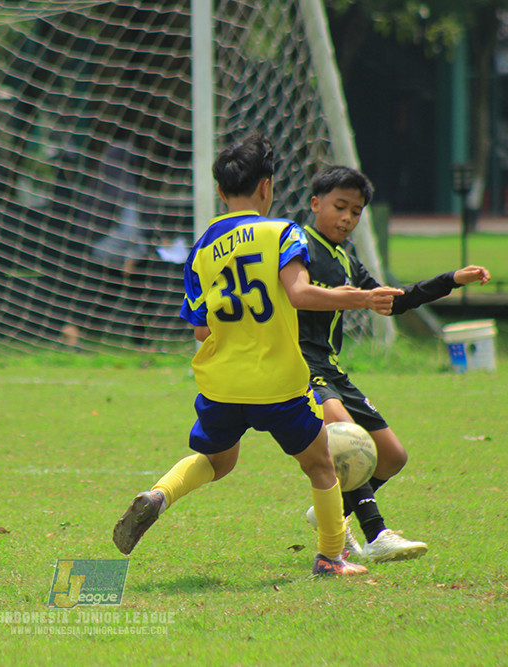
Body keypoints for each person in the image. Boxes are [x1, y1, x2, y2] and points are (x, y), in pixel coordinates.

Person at [111, 133, 404, 576]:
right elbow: (300, 293)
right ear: (266, 187)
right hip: (277, 380)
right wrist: (361, 298)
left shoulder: (201, 247)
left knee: (217, 460)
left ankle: (159, 495)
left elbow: (199, 328)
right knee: (322, 464)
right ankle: (330, 557)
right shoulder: (283, 232)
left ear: (221, 191)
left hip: (222, 380)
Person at [299, 165, 490, 562]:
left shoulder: (348, 261)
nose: (347, 218)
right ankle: (377, 535)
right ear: (315, 203)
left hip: (331, 367)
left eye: (355, 211)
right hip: (299, 364)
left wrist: (451, 279)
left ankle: (330, 512)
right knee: (345, 438)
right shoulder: (296, 248)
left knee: (393, 456)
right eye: (339, 206)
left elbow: (395, 300)